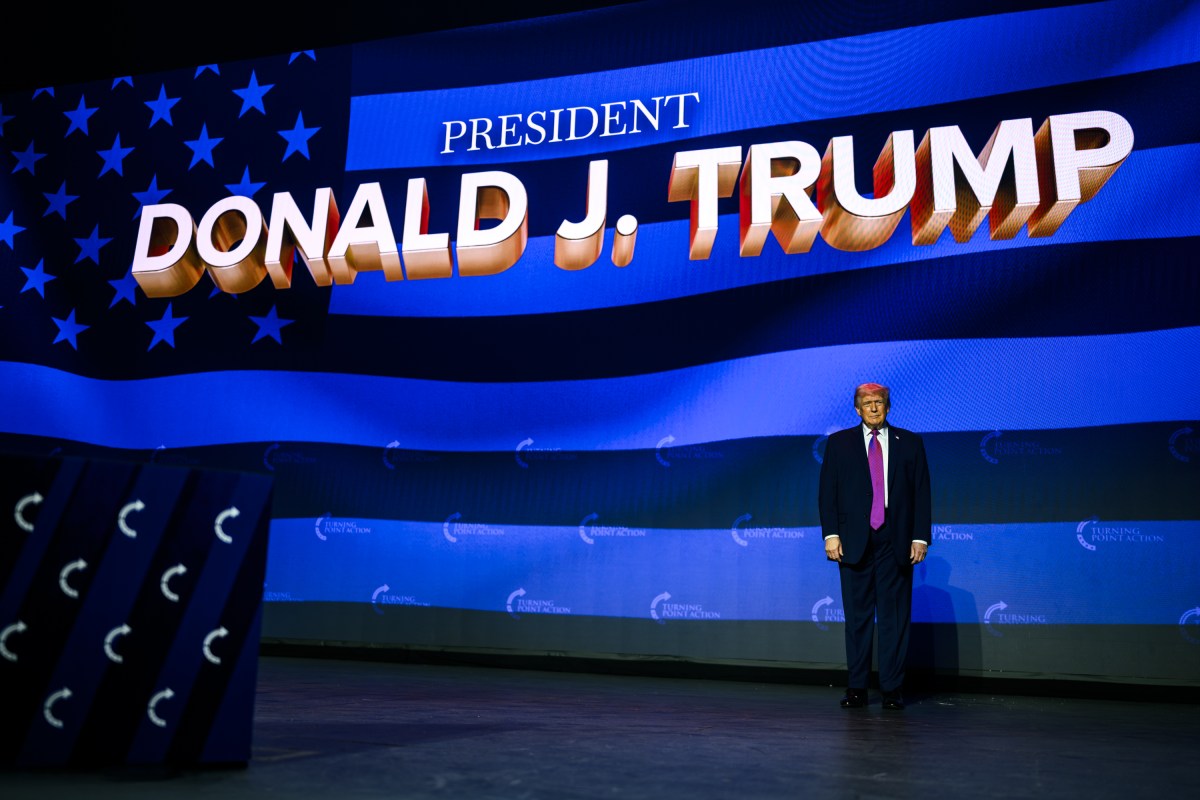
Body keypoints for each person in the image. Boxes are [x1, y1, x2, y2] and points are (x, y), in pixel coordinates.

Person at [818, 382, 930, 710]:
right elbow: (828, 493)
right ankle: (857, 688)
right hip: (854, 542)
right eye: (867, 403)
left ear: (888, 406)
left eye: (879, 402)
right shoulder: (839, 444)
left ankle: (892, 690)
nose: (874, 408)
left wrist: (919, 537)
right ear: (857, 409)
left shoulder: (909, 443)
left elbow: (921, 493)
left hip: (895, 541)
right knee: (858, 619)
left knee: (894, 618)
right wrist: (831, 535)